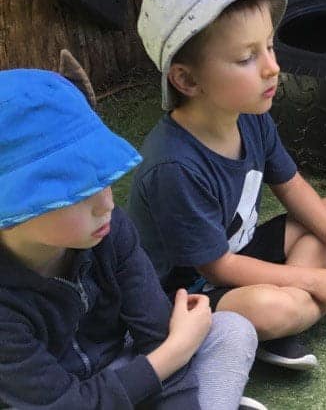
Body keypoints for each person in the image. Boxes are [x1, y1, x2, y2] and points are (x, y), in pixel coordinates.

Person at [129, 0, 326, 371]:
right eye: (246, 58)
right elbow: (218, 266)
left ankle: (302, 310)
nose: (272, 66)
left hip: (243, 254)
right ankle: (307, 306)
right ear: (187, 80)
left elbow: (292, 186)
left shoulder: (250, 116)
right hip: (190, 296)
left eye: (268, 46)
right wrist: (314, 278)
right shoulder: (173, 167)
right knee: (273, 308)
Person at [0, 69, 263, 410]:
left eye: (103, 177)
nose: (106, 204)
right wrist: (175, 352)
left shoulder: (108, 230)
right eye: (78, 193)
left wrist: (174, 372)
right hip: (54, 401)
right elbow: (66, 404)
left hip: (126, 371)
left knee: (231, 330)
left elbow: (156, 332)